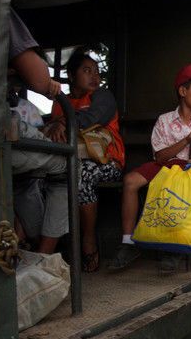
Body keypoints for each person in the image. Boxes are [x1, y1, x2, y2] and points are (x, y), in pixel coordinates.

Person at [107, 64, 191, 275]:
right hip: (165, 165)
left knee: (181, 189)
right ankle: (128, 243)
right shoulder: (165, 120)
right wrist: (187, 138)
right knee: (131, 181)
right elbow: (160, 157)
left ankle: (174, 249)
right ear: (182, 91)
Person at [46, 50, 125, 272]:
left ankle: (87, 241)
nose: (94, 77)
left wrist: (66, 122)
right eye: (87, 71)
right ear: (71, 75)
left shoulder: (102, 97)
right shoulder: (62, 103)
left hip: (108, 162)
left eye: (97, 72)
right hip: (72, 161)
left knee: (82, 173)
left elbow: (93, 117)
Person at [8, 75, 68, 253]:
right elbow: (36, 74)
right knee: (70, 166)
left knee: (28, 183)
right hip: (4, 136)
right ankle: (43, 256)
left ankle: (31, 243)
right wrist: (46, 84)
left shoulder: (27, 108)